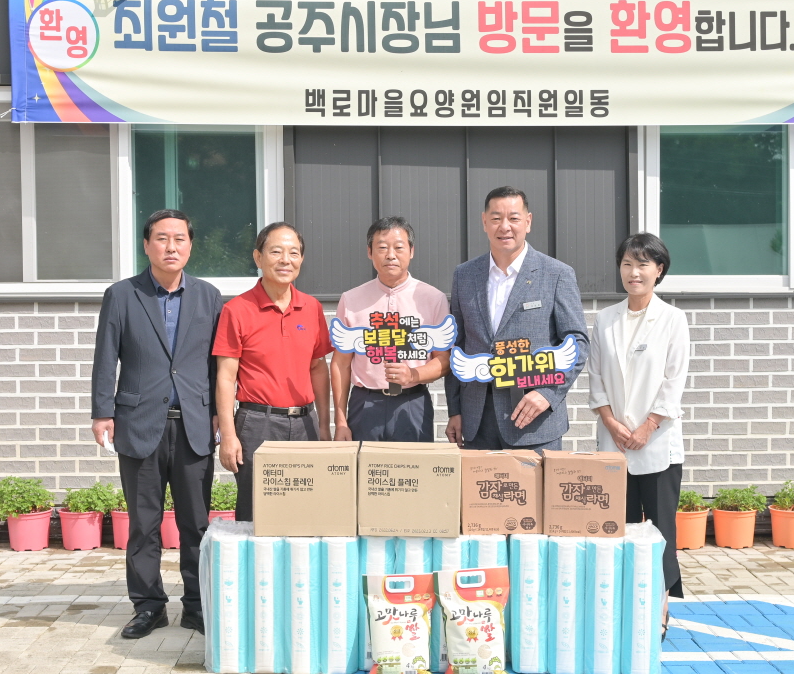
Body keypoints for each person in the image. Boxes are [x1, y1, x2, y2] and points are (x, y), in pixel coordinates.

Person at [91, 209, 225, 640]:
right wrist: (102, 411)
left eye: (180, 239)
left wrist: (220, 411)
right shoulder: (122, 295)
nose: (171, 247)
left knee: (196, 523)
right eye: (162, 238)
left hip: (193, 425)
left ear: (190, 246)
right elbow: (105, 356)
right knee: (143, 523)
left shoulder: (209, 296)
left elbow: (217, 362)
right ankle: (148, 606)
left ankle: (197, 605)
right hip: (137, 423)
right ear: (147, 245)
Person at [586, 232, 690, 638]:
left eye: (643, 264)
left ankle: (660, 605)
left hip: (657, 443)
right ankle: (624, 605)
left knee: (661, 530)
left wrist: (647, 427)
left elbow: (673, 382)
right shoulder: (605, 319)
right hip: (614, 442)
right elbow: (596, 378)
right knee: (619, 528)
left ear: (658, 270)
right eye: (627, 263)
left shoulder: (673, 319)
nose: (634, 272)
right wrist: (612, 423)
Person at [444, 186, 588, 452]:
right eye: (496, 218)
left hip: (534, 420)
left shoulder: (556, 274)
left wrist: (548, 393)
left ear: (528, 222)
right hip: (477, 421)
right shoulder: (464, 275)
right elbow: (457, 344)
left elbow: (578, 342)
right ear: (484, 222)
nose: (505, 227)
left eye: (513, 218)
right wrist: (455, 409)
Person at [213, 222, 333, 522]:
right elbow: (225, 377)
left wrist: (324, 425)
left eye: (294, 253)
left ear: (301, 259)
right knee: (256, 515)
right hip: (257, 425)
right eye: (276, 252)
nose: (285, 260)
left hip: (305, 423)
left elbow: (318, 368)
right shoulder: (237, 310)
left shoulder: (312, 308)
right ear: (258, 257)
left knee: (307, 513)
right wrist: (228, 435)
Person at [331, 218, 451, 443]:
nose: (390, 255)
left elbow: (444, 360)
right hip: (364, 404)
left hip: (413, 402)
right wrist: (340, 420)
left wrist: (413, 374)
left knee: (413, 466)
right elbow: (341, 364)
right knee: (363, 465)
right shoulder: (351, 300)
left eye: (398, 247)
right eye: (382, 247)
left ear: (411, 251)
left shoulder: (433, 299)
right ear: (370, 252)